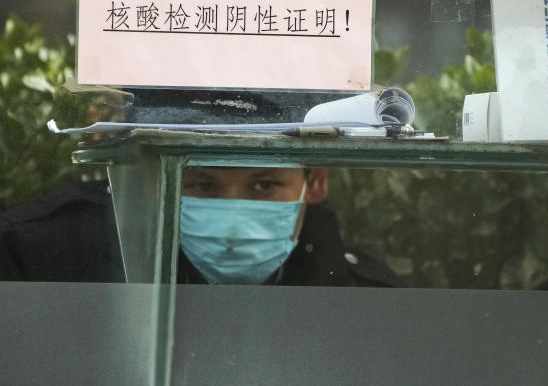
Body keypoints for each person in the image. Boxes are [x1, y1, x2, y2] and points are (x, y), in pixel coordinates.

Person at [0, 165, 400, 287]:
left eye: (263, 185)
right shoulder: (40, 264)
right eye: (203, 185)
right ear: (162, 182)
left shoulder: (365, 305)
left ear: (314, 183)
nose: (231, 221)